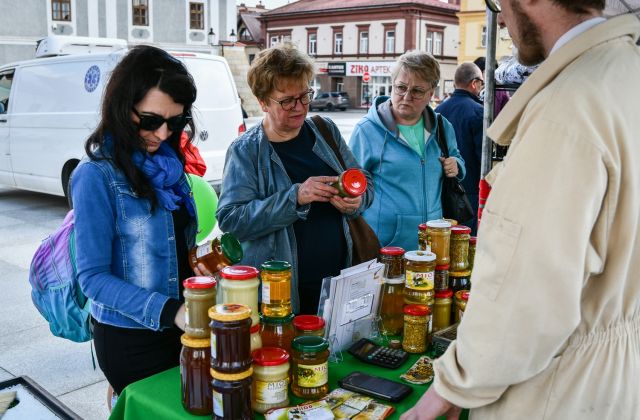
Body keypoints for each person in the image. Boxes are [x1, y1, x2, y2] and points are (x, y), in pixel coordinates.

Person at [402, 1, 640, 419]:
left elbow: (525, 295)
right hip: (611, 380)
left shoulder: (569, 106)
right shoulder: (625, 75)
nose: (504, 19)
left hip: (556, 390)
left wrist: (451, 388)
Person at [71, 45, 207, 406]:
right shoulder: (95, 175)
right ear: (121, 106)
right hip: (133, 339)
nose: (162, 134)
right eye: (150, 120)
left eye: (175, 122)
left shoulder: (169, 167)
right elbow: (93, 278)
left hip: (184, 328)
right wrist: (171, 311)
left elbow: (176, 247)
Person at [216, 43, 373, 315]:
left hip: (337, 280)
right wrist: (295, 197)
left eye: (304, 96)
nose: (299, 107)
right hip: (281, 292)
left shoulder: (325, 130)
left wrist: (356, 200)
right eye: (287, 100)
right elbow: (232, 220)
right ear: (263, 101)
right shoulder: (246, 150)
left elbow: (363, 183)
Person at [350, 51, 465, 251]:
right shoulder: (367, 130)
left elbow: (457, 158)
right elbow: (352, 185)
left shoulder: (442, 127)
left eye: (417, 91)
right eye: (401, 87)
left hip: (432, 241)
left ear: (431, 93)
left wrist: (457, 165)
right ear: (392, 84)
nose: (406, 96)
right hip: (385, 245)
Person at [435, 62, 484, 234]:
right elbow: (482, 159)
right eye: (482, 83)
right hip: (470, 193)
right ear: (474, 83)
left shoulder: (438, 111)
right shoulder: (479, 112)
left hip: (442, 191)